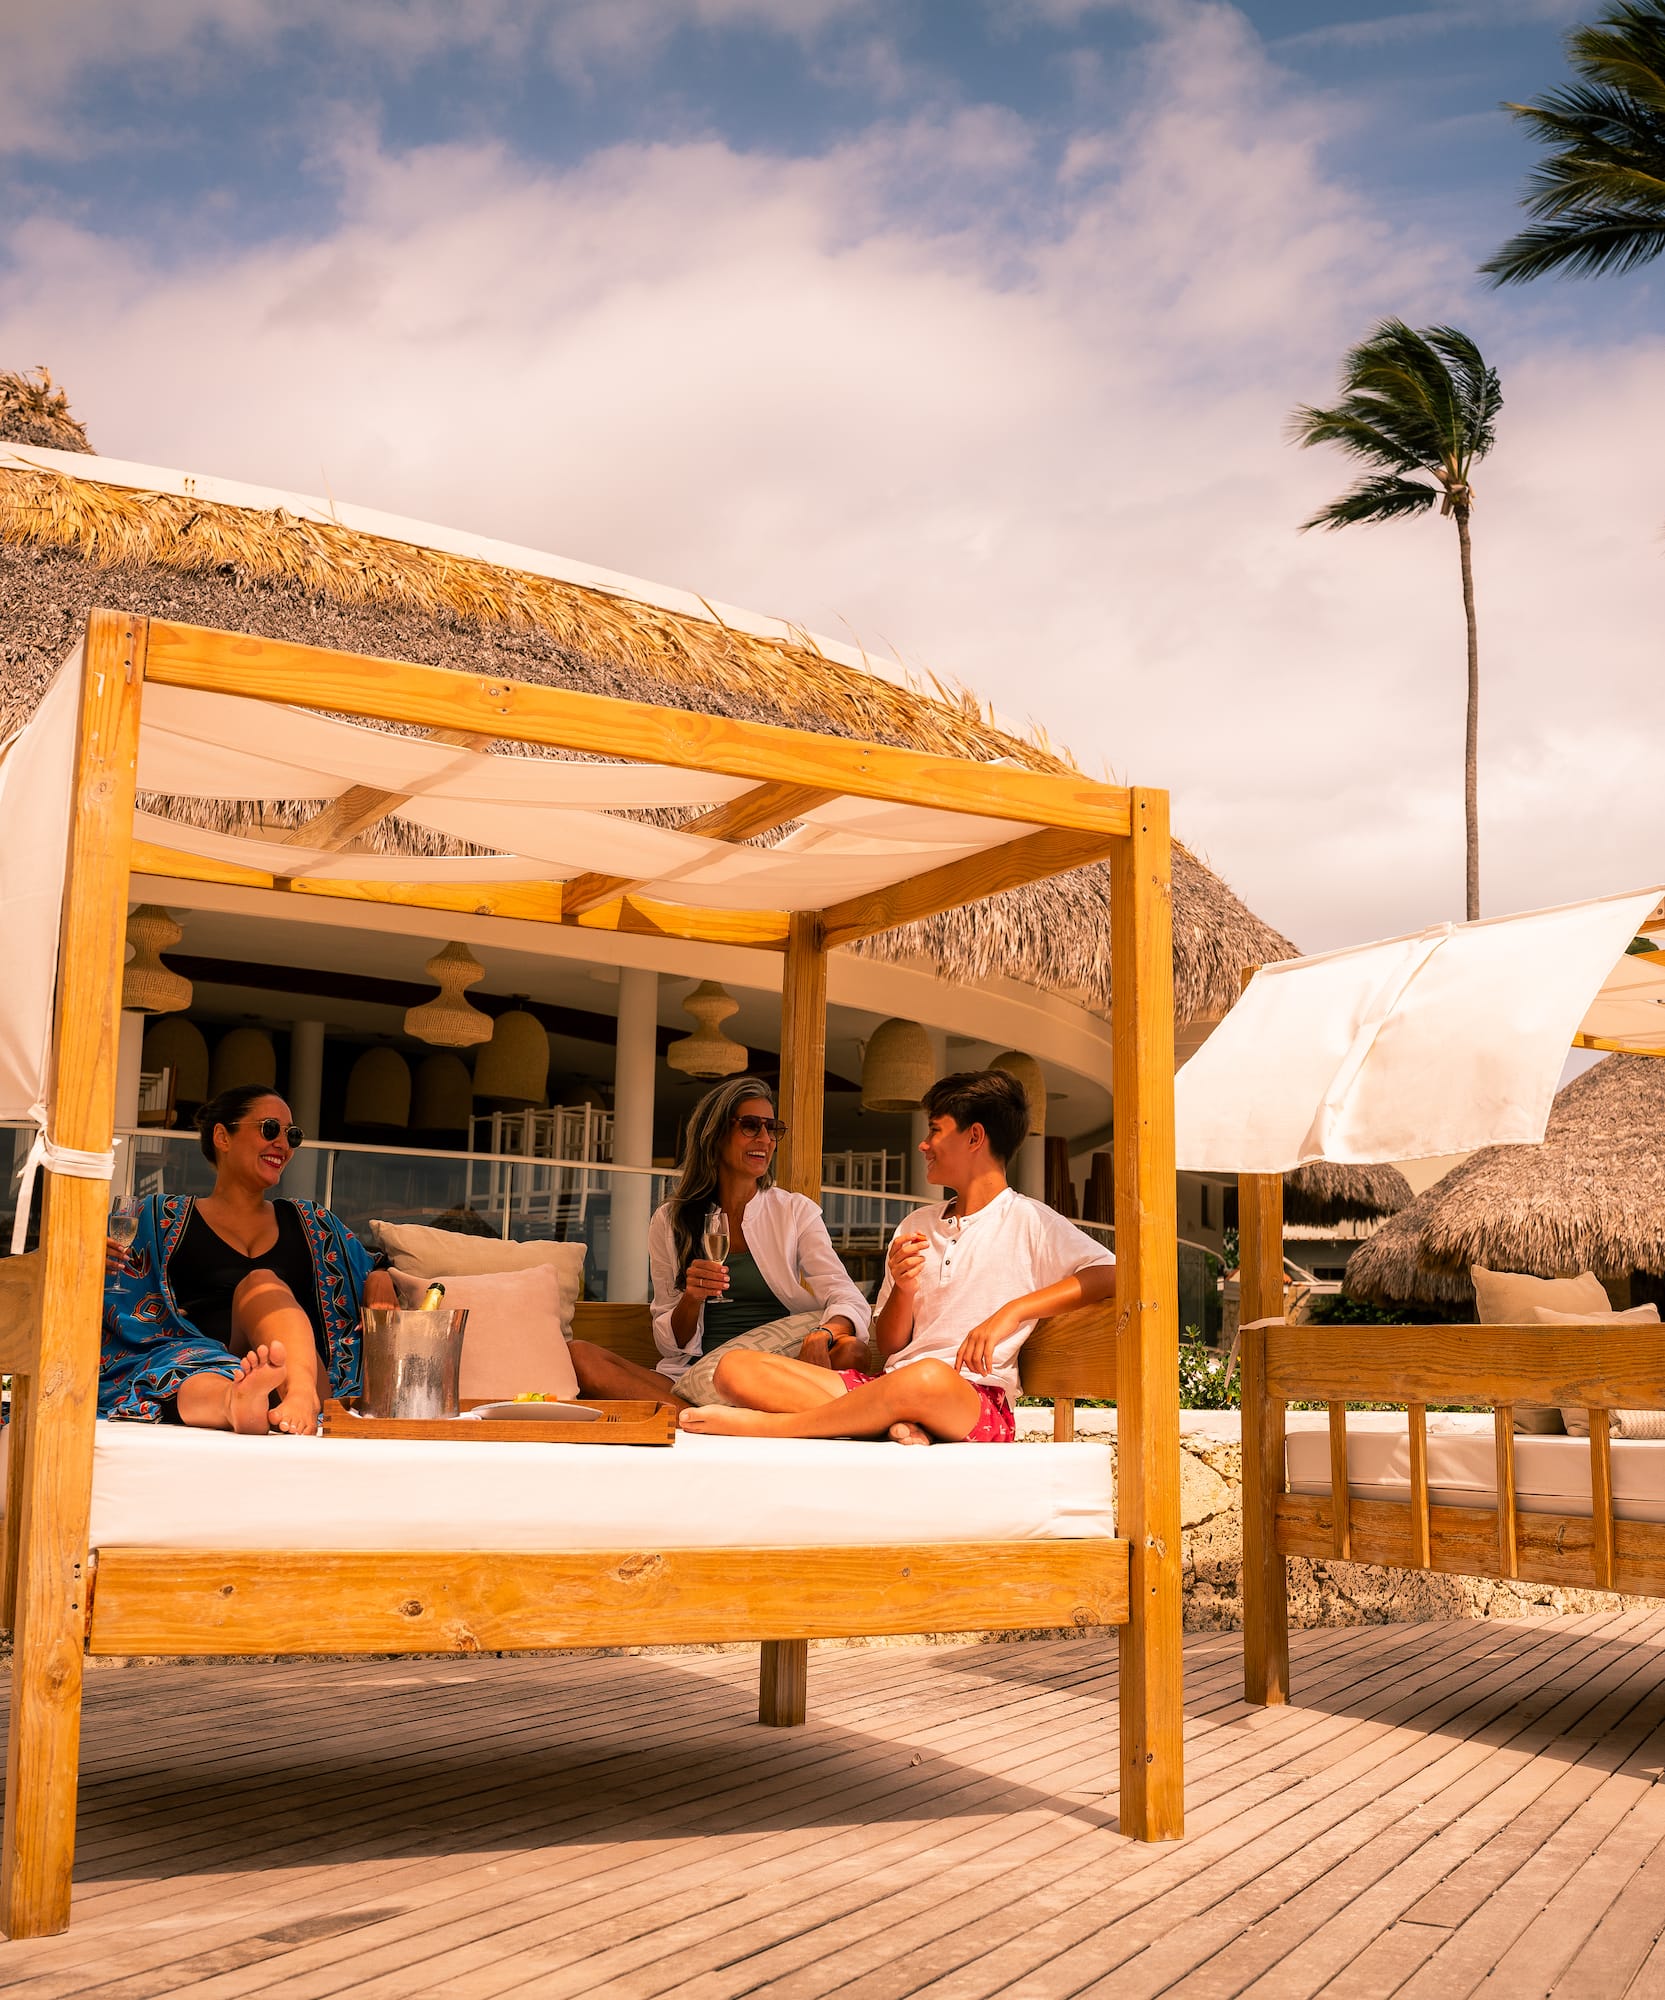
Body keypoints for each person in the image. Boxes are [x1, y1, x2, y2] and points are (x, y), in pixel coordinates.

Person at [679, 1069, 1115, 1444]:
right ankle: (891, 1421)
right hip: (889, 1384)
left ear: (975, 1136)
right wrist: (904, 1290)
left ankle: (773, 1428)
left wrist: (1012, 1312)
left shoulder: (1028, 1220)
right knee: (736, 1369)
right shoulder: (915, 1225)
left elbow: (1112, 1273)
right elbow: (889, 1346)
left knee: (926, 1377)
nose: (924, 1145)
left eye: (935, 1130)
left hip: (970, 1398)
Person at [100, 1084, 396, 1432]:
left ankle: (299, 1396)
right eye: (270, 1129)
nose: (283, 1145)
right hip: (199, 1371)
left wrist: (380, 1277)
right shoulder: (157, 1217)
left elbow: (372, 1264)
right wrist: (86, 1260)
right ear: (222, 1137)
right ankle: (236, 1402)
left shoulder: (311, 1221)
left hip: (300, 1378)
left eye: (292, 1135)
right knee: (185, 1375)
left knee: (261, 1282)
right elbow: (113, 1286)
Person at [565, 1075, 871, 1406]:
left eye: (773, 1129)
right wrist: (691, 1298)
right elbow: (670, 1344)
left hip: (772, 1373)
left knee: (851, 1350)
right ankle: (708, 1414)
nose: (765, 1139)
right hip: (690, 1376)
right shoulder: (670, 1221)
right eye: (751, 1126)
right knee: (580, 1356)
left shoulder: (794, 1212)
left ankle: (697, 1417)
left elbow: (847, 1297)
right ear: (715, 1135)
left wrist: (824, 1333)